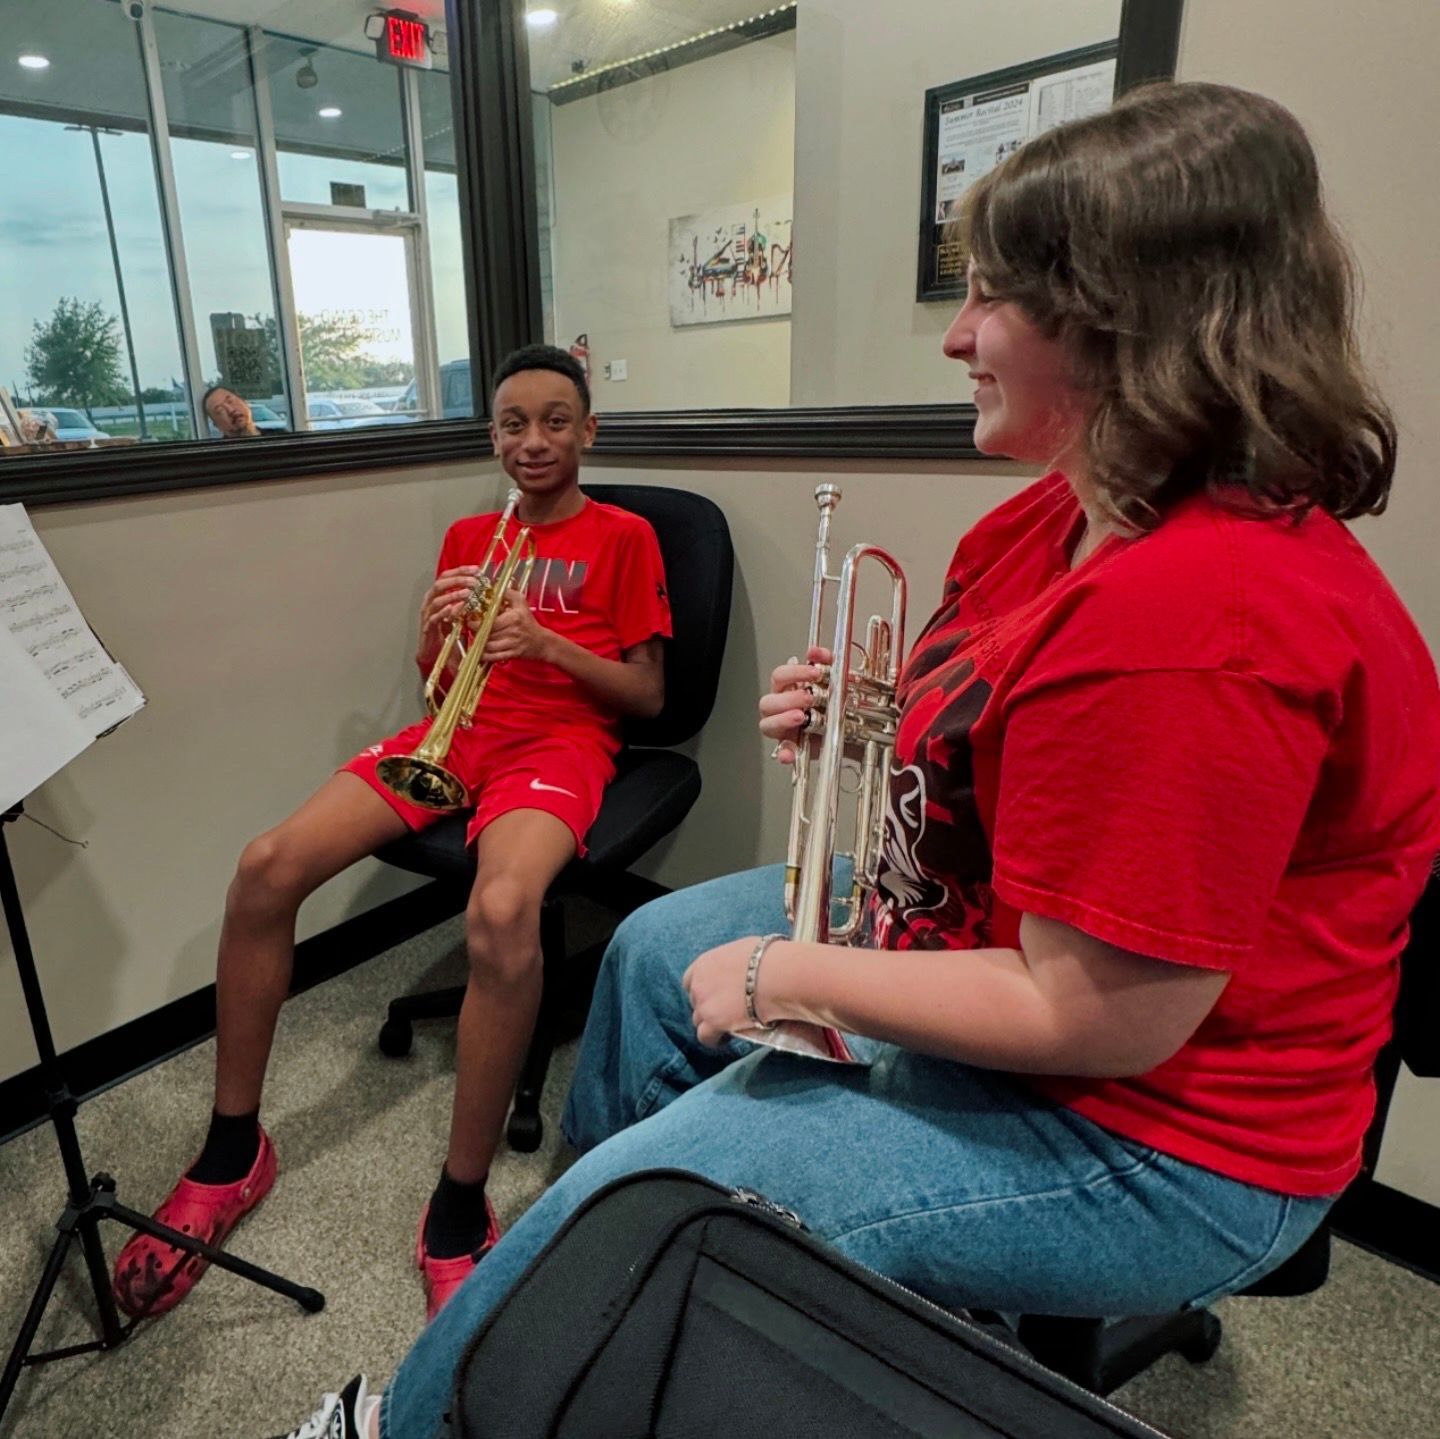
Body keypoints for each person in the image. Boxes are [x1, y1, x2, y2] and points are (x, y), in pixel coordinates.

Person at [274, 82, 1440, 1439]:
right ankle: (664, 1325)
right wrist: (863, 721)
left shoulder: (1198, 622)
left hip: (1158, 1130)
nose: (955, 332)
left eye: (993, 295)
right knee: (647, 956)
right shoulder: (1053, 520)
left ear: (1126, 317)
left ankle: (549, 1326)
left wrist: (791, 974)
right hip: (973, 924)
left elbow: (1103, 1014)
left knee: (640, 1197)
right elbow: (1009, 748)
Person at [114, 344, 671, 1324]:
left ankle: (458, 1201)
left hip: (561, 744)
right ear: (492, 436)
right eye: (512, 423)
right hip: (457, 733)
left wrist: (546, 642)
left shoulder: (626, 536)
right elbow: (436, 682)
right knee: (265, 867)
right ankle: (234, 1148)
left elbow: (648, 694)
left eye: (555, 420)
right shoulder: (470, 532)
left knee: (503, 910)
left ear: (588, 430)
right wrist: (438, 630)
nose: (533, 440)